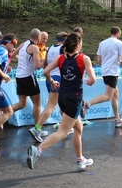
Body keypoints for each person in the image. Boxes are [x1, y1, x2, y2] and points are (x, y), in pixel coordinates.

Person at [27, 32, 96, 171]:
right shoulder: (84, 58)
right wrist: (90, 80)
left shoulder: (61, 58)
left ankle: (80, 160)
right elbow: (93, 78)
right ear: (77, 45)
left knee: (78, 127)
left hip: (62, 96)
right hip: (74, 98)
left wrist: (52, 81)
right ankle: (38, 151)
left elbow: (46, 71)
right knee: (63, 132)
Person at [83, 26, 122, 128]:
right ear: (118, 33)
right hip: (113, 72)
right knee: (108, 96)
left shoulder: (102, 43)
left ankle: (117, 118)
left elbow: (99, 60)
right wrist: (118, 60)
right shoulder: (120, 43)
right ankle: (88, 104)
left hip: (105, 71)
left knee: (115, 93)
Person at [29, 31, 68, 143]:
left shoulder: (50, 48)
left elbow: (45, 63)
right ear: (65, 40)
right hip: (58, 78)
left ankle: (64, 127)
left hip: (50, 76)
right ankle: (37, 128)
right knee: (52, 105)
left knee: (62, 104)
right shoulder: (63, 49)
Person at [10, 28, 44, 134]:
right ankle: (37, 129)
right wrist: (45, 61)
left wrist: (23, 60)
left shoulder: (24, 44)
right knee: (37, 103)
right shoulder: (34, 47)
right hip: (28, 77)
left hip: (19, 76)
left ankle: (3, 112)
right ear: (38, 37)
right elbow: (38, 66)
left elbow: (13, 54)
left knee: (22, 103)